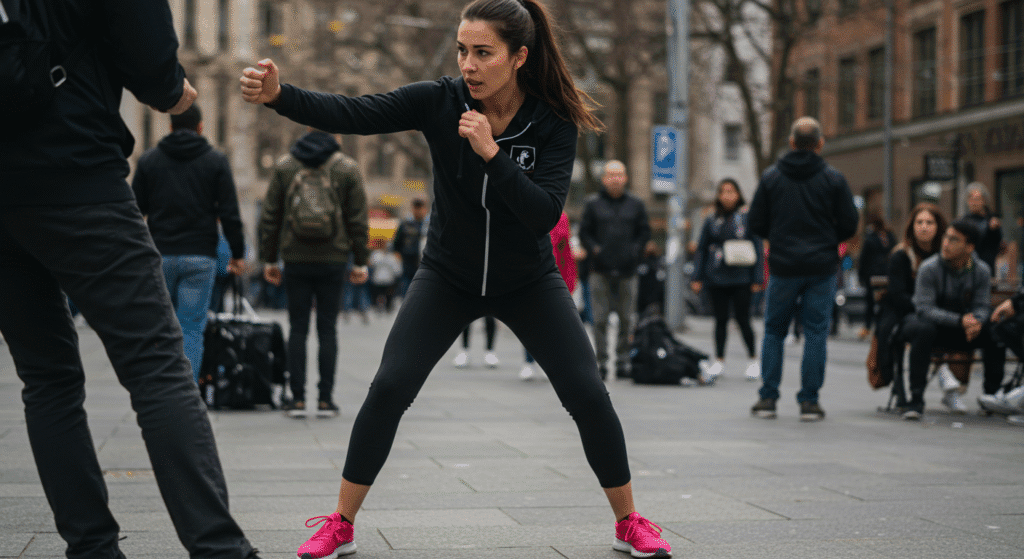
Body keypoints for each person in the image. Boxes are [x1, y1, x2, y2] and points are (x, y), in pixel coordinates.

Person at [239, 0, 673, 557]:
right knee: (390, 386)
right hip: (448, 274)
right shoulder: (439, 101)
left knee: (588, 393)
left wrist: (492, 153)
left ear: (518, 57)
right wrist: (281, 95)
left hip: (528, 280)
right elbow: (354, 112)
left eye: (483, 53)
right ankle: (341, 523)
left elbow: (543, 213)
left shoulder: (552, 120)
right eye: (464, 50)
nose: (468, 64)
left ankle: (629, 522)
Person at [0, 1, 260, 557]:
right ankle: (219, 548)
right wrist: (177, 93)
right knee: (158, 370)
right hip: (75, 174)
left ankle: (91, 547)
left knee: (46, 380)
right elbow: (152, 67)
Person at [747, 117, 859, 421]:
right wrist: (827, 239)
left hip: (783, 265)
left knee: (774, 331)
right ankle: (809, 401)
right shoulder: (833, 179)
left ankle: (768, 398)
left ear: (792, 143)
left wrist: (779, 237)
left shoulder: (771, 177)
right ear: (820, 143)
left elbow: (755, 222)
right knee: (816, 332)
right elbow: (850, 223)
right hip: (821, 266)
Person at [258, 130, 370, 417]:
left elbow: (271, 215)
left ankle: (296, 400)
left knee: (297, 328)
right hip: (333, 258)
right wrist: (360, 261)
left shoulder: (285, 165)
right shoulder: (346, 168)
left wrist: (269, 259)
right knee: (327, 328)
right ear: (334, 136)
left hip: (295, 257)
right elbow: (357, 218)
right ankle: (324, 400)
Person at [132, 104, 247, 382]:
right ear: (200, 126)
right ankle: (186, 393)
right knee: (192, 328)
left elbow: (134, 210)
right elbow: (229, 212)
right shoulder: (215, 161)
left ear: (170, 127)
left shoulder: (149, 161)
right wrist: (238, 253)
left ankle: (162, 389)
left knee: (161, 328)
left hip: (160, 255)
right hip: (200, 255)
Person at [899, 219, 1005, 419]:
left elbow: (982, 305)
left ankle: (991, 398)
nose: (946, 243)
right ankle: (916, 401)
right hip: (933, 327)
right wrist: (960, 320)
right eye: (946, 237)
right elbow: (924, 308)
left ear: (970, 247)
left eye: (954, 240)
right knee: (923, 329)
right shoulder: (929, 268)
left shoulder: (981, 271)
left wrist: (977, 321)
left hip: (964, 328)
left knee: (995, 331)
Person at [579, 160, 652, 380]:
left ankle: (623, 362)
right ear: (604, 179)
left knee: (626, 320)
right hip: (599, 271)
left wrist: (635, 251)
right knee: (599, 320)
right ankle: (600, 363)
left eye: (619, 174)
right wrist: (595, 250)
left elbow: (644, 232)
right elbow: (584, 233)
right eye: (611, 175)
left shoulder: (636, 204)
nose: (615, 179)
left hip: (628, 271)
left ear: (626, 178)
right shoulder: (593, 204)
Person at [874, 203, 947, 411]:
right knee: (923, 330)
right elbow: (897, 295)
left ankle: (981, 392)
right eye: (919, 222)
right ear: (912, 226)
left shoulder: (946, 255)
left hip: (938, 314)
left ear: (938, 226)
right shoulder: (901, 255)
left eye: (929, 222)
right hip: (905, 313)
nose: (924, 227)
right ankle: (916, 394)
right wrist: (925, 308)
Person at [690, 178, 764, 383]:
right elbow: (702, 248)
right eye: (723, 191)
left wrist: (758, 277)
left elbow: (758, 246)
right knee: (720, 320)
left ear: (739, 194)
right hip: (717, 276)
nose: (727, 195)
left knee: (743, 319)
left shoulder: (747, 217)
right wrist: (697, 276)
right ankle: (719, 359)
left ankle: (753, 359)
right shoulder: (712, 218)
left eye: (731, 191)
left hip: (741, 277)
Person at [521, 211, 578, 380]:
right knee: (531, 323)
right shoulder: (524, 214)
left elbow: (565, 250)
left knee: (555, 323)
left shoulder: (561, 217)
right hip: (530, 275)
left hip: (554, 275)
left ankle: (551, 362)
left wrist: (569, 279)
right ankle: (529, 361)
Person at [857, 212, 896, 340]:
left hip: (872, 275)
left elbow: (863, 259)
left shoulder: (870, 238)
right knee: (885, 301)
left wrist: (861, 276)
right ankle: (882, 325)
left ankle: (868, 327)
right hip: (887, 274)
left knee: (870, 302)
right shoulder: (890, 237)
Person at [961, 182, 1003, 277]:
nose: (974, 202)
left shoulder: (992, 220)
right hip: (967, 270)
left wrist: (993, 230)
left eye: (977, 199)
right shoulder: (963, 221)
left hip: (987, 268)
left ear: (984, 201)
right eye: (971, 199)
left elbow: (997, 242)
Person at [391, 196, 430, 297]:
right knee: (407, 290)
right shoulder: (405, 224)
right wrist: (399, 258)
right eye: (416, 207)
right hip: (408, 263)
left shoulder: (430, 225)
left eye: (420, 207)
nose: (418, 210)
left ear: (425, 209)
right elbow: (396, 244)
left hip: (425, 262)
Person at [368, 238, 402, 313]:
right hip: (377, 279)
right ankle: (377, 306)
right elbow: (371, 264)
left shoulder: (393, 256)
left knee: (389, 295)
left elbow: (397, 270)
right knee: (377, 294)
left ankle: (388, 307)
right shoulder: (376, 254)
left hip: (389, 280)